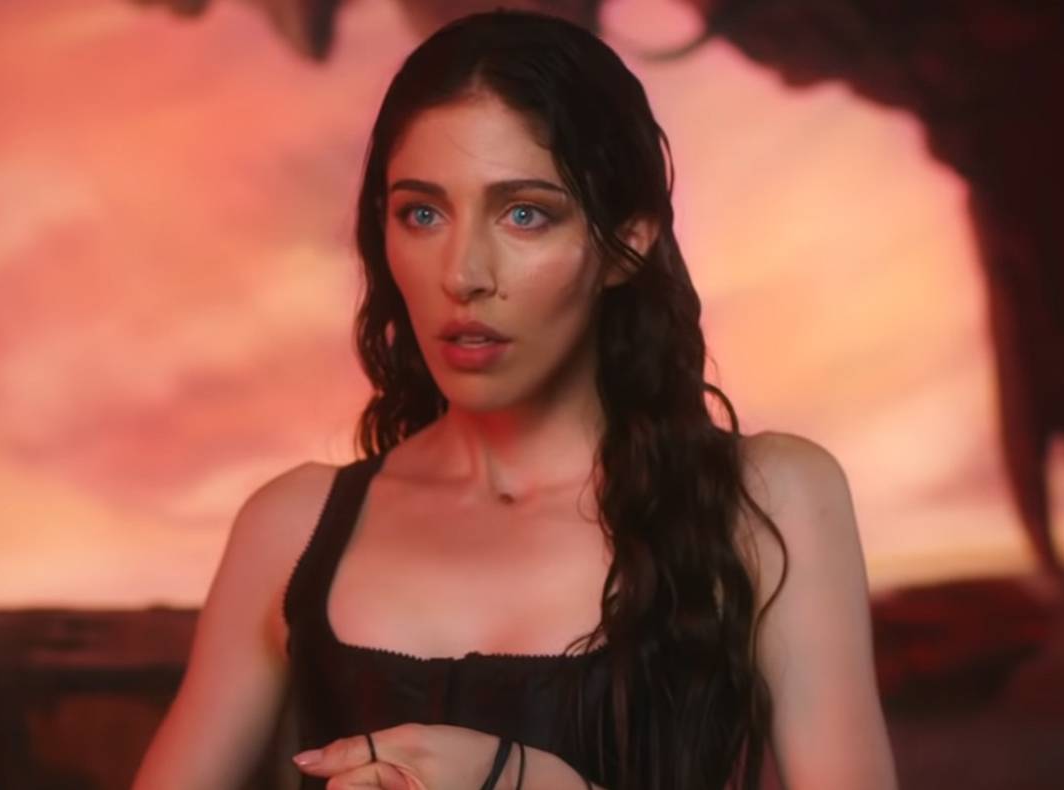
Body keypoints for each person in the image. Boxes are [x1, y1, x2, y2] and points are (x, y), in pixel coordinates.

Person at [133, 9, 895, 789]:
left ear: (628, 242)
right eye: (422, 213)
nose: (463, 273)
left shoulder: (769, 503)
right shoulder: (290, 526)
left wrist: (525, 781)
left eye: (525, 213)